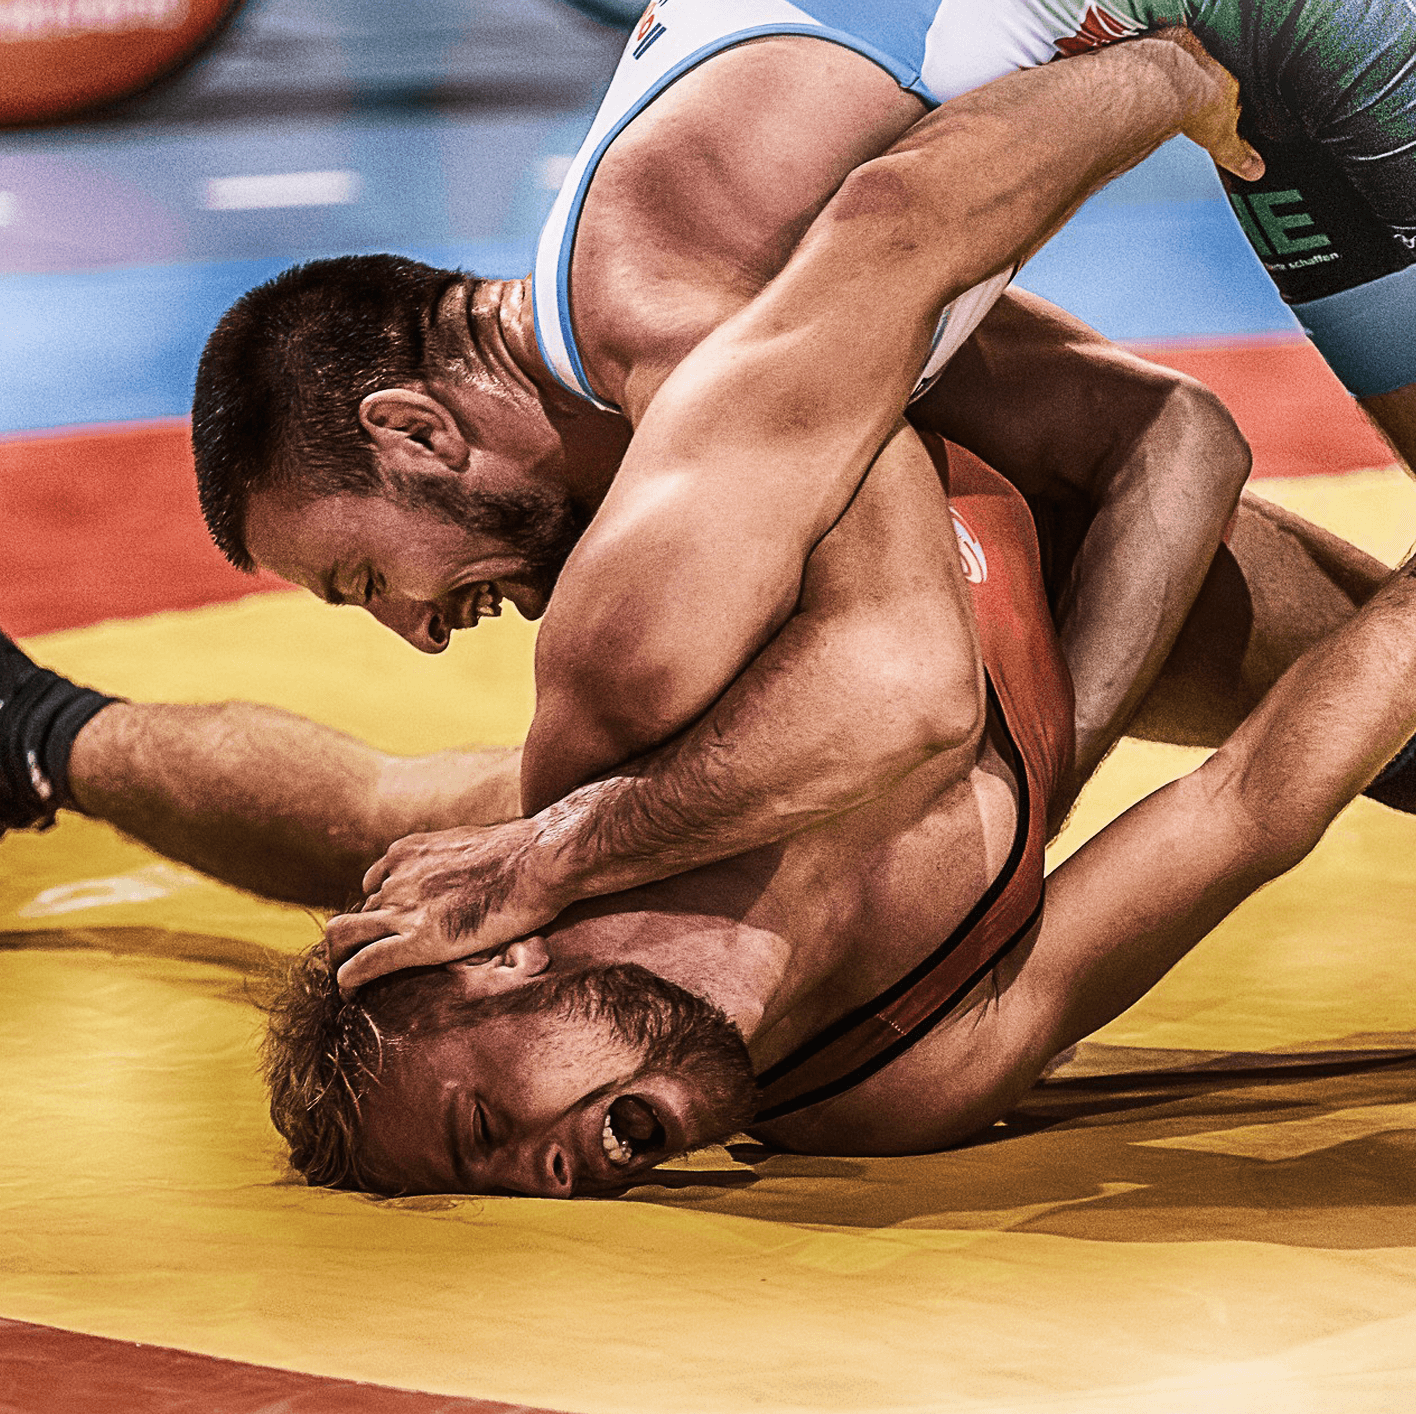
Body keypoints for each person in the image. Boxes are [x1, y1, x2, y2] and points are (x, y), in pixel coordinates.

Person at [0, 34, 1262, 921]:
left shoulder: (668, 300)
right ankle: (40, 727)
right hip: (1216, 52)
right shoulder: (696, 283)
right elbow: (1181, 431)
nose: (421, 635)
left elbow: (906, 688)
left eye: (366, 576)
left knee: (570, 802)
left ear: (416, 431)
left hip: (1267, 39)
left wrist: (556, 856)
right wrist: (1048, 799)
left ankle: (38, 727)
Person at [262, 435, 1412, 1196]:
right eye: (497, 1185)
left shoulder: (624, 699)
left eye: (485, 1130)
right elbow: (1243, 808)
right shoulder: (895, 1084)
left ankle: (75, 738)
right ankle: (75, 734)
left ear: (495, 965)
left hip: (982, 419)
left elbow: (849, 370)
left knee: (380, 805)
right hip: (1080, 610)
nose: (542, 1174)